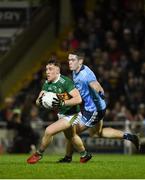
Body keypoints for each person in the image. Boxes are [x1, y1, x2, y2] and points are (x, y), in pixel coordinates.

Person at [58, 51, 140, 163]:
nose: (69, 62)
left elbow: (95, 84)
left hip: (93, 110)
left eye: (72, 60)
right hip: (97, 107)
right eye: (69, 60)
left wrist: (100, 91)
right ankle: (130, 137)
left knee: (72, 131)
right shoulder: (76, 70)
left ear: (80, 61)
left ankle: (68, 157)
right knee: (97, 134)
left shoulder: (85, 75)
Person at [27, 58, 92, 164]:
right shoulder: (47, 83)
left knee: (49, 131)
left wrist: (62, 103)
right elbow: (37, 101)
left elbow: (78, 99)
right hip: (62, 114)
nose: (47, 71)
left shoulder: (65, 82)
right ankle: (85, 155)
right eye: (46, 69)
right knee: (71, 136)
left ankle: (38, 154)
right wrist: (42, 101)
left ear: (57, 71)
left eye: (50, 69)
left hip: (72, 114)